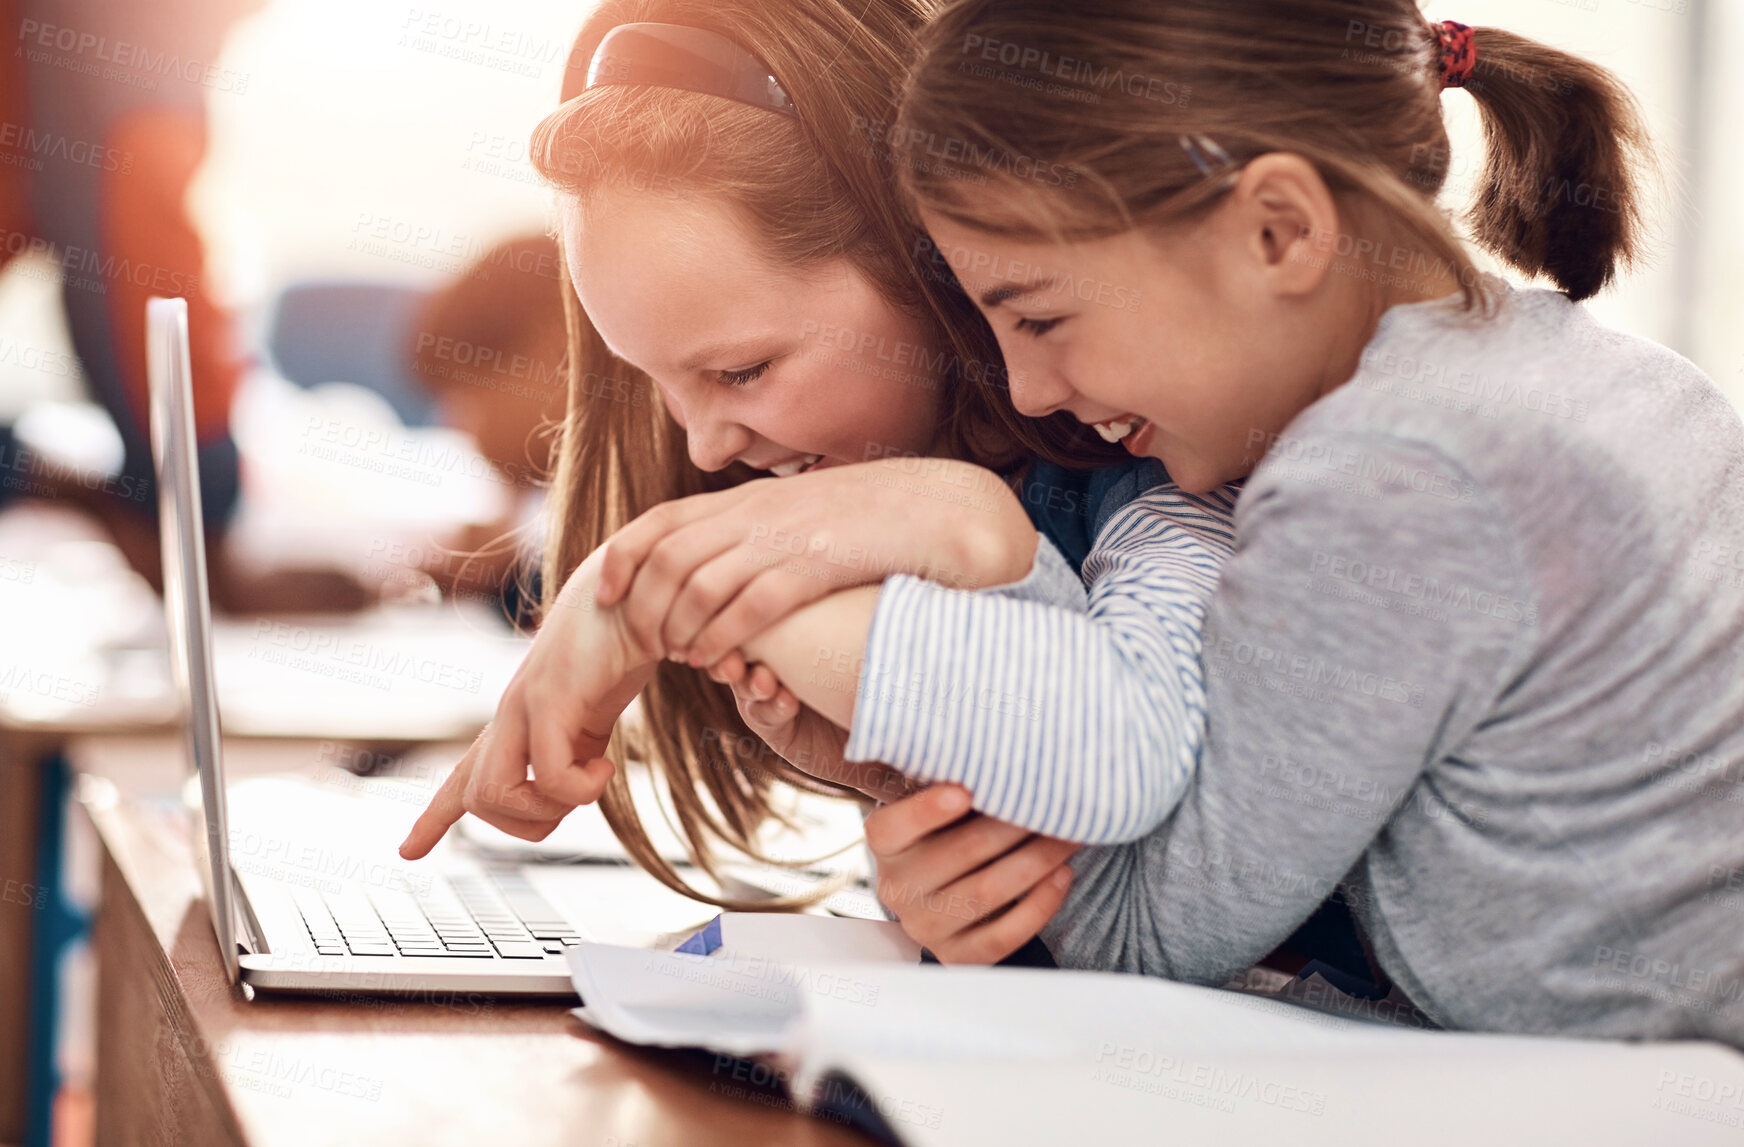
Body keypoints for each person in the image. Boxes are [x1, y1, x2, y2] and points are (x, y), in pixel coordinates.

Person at [846, 0, 1744, 1042]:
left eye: (1042, 316)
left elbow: (1143, 941)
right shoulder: (1627, 382)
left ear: (1280, 230)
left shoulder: (1387, 479)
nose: (1028, 389)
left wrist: (981, 566)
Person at [398, 0, 1265, 934]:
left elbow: (1118, 751)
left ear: (925, 260)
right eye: (662, 386)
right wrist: (904, 798)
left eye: (742, 371)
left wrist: (651, 593)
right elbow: (1107, 895)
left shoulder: (1164, 469)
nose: (703, 446)